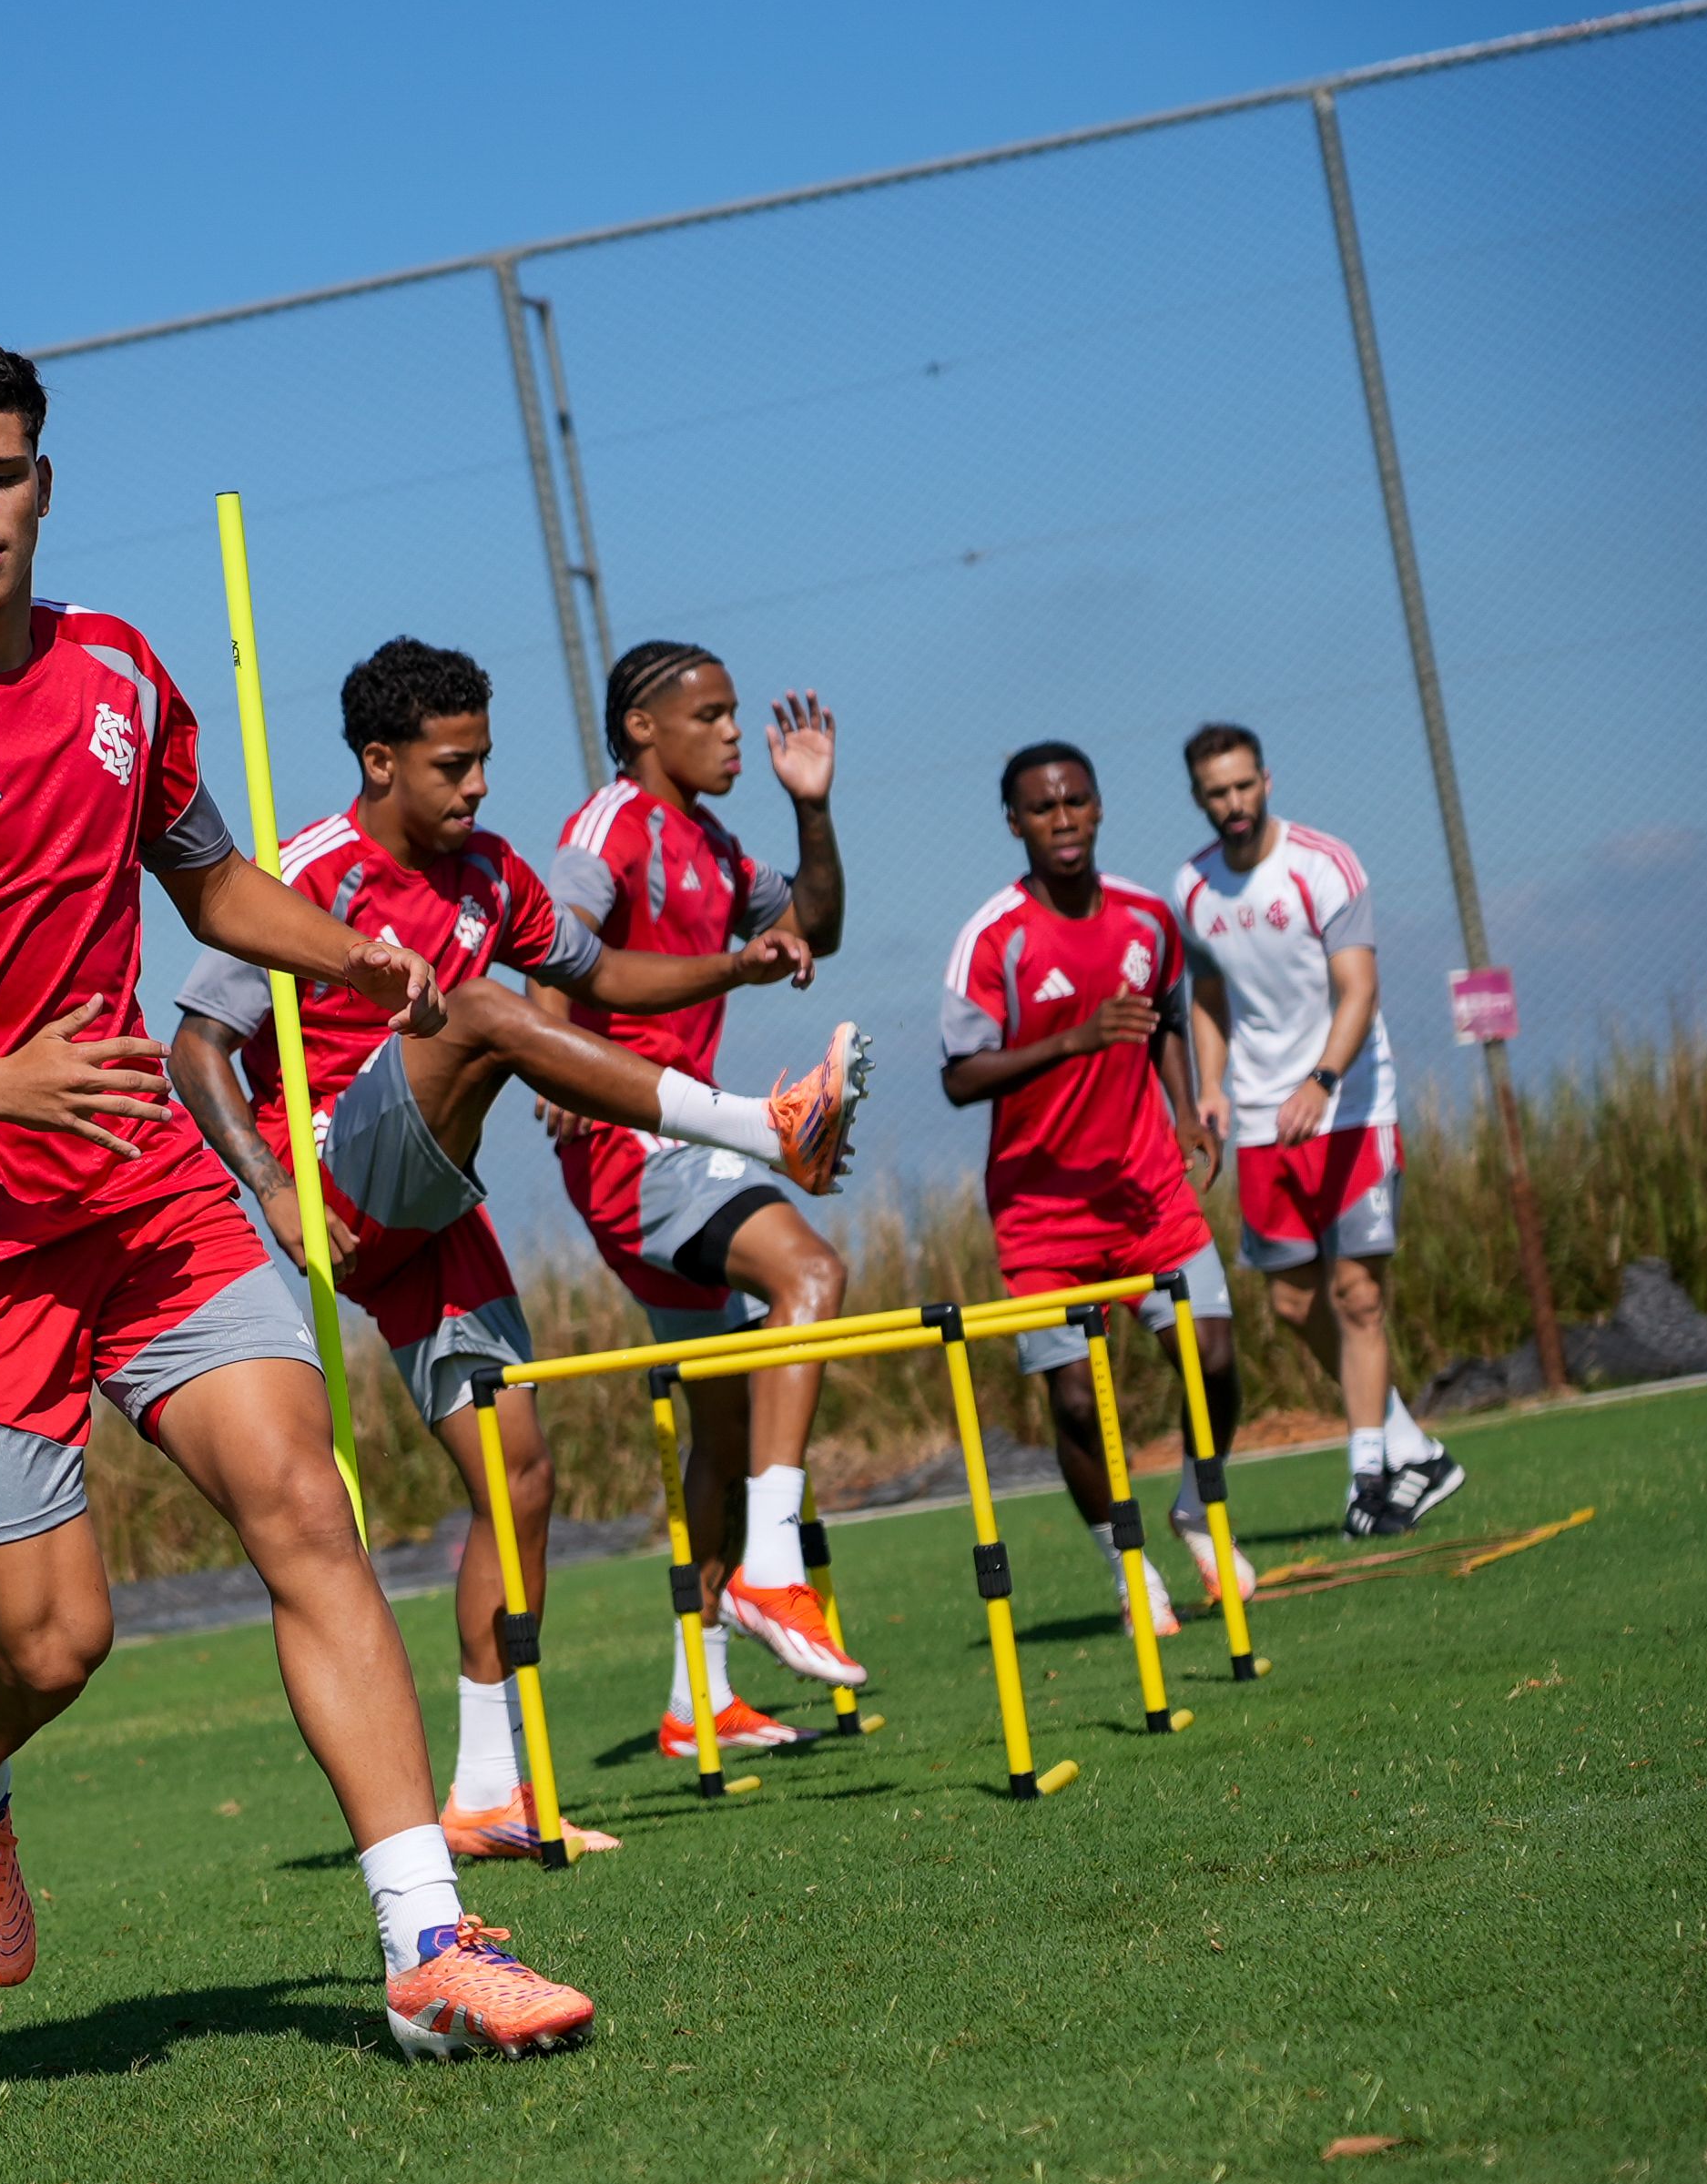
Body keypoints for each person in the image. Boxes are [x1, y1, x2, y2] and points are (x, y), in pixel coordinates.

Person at [0, 336, 618, 2057]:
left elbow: (210, 887)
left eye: (0, 475)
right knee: (55, 1644)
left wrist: (347, 947)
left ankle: (429, 1943)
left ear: (44, 483)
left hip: (145, 1191)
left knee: (305, 1503)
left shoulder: (120, 671)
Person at [164, 638, 864, 1864]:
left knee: (520, 1478)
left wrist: (735, 962)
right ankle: (768, 1128)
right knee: (482, 1009)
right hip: (335, 1180)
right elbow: (195, 1047)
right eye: (453, 765)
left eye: (484, 759)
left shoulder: (492, 872)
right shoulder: (311, 872)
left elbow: (601, 975)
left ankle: (487, 1792)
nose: (479, 786)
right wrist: (271, 1188)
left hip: (434, 1206)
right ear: (380, 762)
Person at [533, 642, 875, 1762]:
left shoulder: (720, 847)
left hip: (686, 1146)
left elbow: (816, 926)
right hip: (633, 1142)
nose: (735, 734)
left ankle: (699, 1698)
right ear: (643, 727)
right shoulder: (611, 824)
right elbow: (553, 942)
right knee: (811, 1271)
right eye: (713, 716)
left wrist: (810, 806)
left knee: (722, 1431)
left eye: (736, 716)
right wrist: (551, 1059)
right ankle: (772, 1569)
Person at [937, 742, 1247, 1629]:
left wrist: (1185, 1111)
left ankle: (1195, 1506)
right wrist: (1072, 1041)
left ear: (1099, 806)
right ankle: (1126, 1563)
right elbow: (959, 1076)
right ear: (1015, 823)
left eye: (1075, 800)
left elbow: (1166, 1018)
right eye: (1042, 808)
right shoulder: (993, 938)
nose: (1062, 819)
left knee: (1214, 1360)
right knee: (1076, 1402)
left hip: (1148, 1191)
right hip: (1041, 1213)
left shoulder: (1146, 917)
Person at [1172, 723, 1461, 1538]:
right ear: (1199, 799)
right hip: (1265, 1121)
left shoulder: (1324, 865)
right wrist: (1211, 1088)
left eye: (1244, 786)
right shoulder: (1192, 888)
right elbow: (1207, 998)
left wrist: (1323, 1079)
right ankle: (1414, 1447)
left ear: (1266, 781)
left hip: (1352, 1105)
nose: (1234, 803)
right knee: (1296, 1304)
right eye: (1217, 793)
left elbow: (1358, 988)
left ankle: (1368, 1478)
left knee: (1357, 1295)